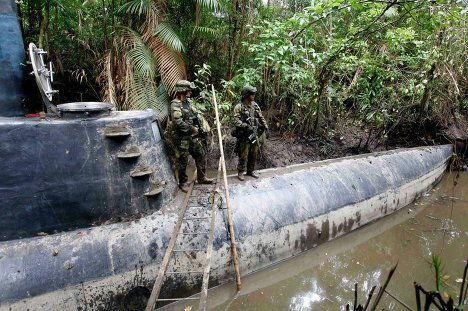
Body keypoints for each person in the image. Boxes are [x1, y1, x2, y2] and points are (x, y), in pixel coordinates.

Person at [170, 80, 214, 192]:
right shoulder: (175, 104)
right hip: (181, 138)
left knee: (200, 154)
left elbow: (195, 117)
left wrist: (201, 128)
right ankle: (183, 183)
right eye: (188, 90)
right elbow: (178, 122)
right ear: (182, 90)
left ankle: (201, 178)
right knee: (183, 160)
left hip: (192, 136)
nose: (190, 92)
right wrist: (193, 129)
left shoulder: (188, 103)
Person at [233, 85, 268, 181]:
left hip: (254, 134)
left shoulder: (255, 105)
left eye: (254, 94)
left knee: (254, 153)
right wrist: (245, 126)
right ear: (246, 95)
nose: (254, 96)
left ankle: (250, 170)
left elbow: (261, 117)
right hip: (244, 135)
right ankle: (240, 171)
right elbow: (235, 121)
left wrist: (265, 127)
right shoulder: (239, 107)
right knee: (243, 154)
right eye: (252, 94)